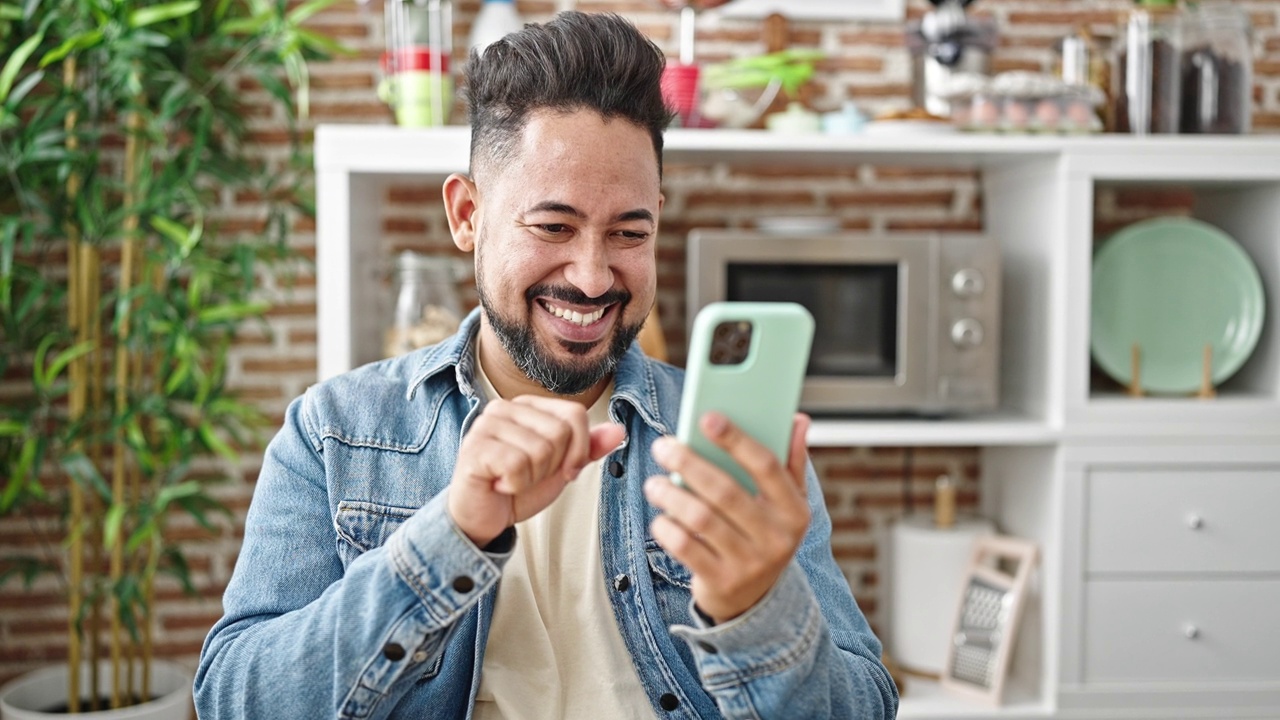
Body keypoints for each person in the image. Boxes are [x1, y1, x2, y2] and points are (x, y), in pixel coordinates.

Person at [195, 11, 897, 719]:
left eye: (628, 232)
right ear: (467, 214)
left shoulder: (738, 443)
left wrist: (755, 614)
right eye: (553, 227)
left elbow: (864, 705)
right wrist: (452, 536)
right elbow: (235, 699)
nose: (593, 278)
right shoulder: (335, 430)